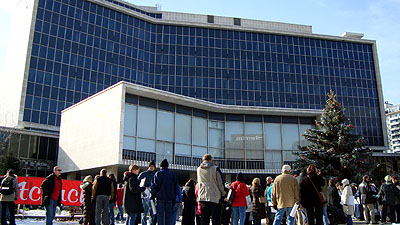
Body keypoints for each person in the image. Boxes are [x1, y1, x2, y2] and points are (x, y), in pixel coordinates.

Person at [197, 154, 226, 225]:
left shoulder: (199, 169)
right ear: (211, 160)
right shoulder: (215, 168)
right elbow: (220, 182)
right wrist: (223, 193)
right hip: (214, 195)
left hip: (202, 195)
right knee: (216, 217)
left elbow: (198, 182)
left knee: (204, 217)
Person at [150, 159, 179, 225]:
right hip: (170, 197)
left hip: (160, 197)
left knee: (160, 215)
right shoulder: (172, 174)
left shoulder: (158, 174)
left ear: (161, 166)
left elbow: (154, 186)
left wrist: (152, 196)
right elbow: (176, 186)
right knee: (169, 215)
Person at [138, 160, 157, 225]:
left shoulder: (155, 175)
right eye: (151, 166)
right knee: (144, 211)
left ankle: (151, 223)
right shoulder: (143, 174)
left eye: (153, 166)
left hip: (152, 194)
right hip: (145, 194)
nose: (152, 167)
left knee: (152, 211)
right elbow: (138, 182)